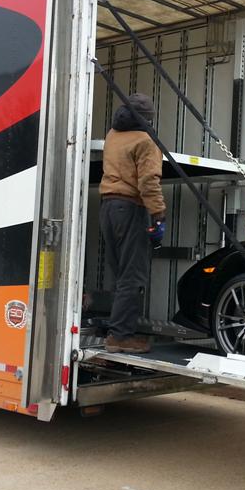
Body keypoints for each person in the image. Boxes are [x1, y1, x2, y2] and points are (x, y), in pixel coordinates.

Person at [100, 93, 166, 353]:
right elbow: (148, 181)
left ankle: (117, 331)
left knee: (120, 273)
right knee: (133, 275)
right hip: (129, 208)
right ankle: (120, 337)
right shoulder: (145, 141)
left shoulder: (112, 135)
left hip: (108, 206)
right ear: (147, 118)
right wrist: (158, 214)